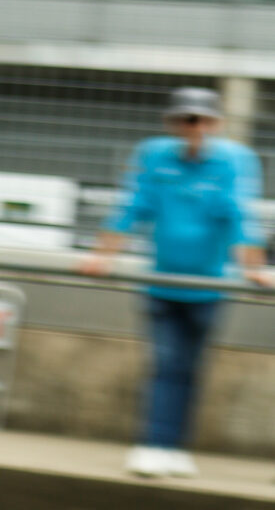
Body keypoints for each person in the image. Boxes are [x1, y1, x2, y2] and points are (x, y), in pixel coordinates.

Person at [84, 86, 269, 478]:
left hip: (209, 287)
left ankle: (175, 448)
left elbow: (240, 214)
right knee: (166, 364)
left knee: (189, 369)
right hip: (162, 283)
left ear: (216, 123)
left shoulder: (234, 160)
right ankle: (153, 445)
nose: (193, 127)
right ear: (171, 122)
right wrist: (103, 254)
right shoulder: (154, 154)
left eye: (200, 119)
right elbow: (132, 205)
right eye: (185, 119)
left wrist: (252, 266)